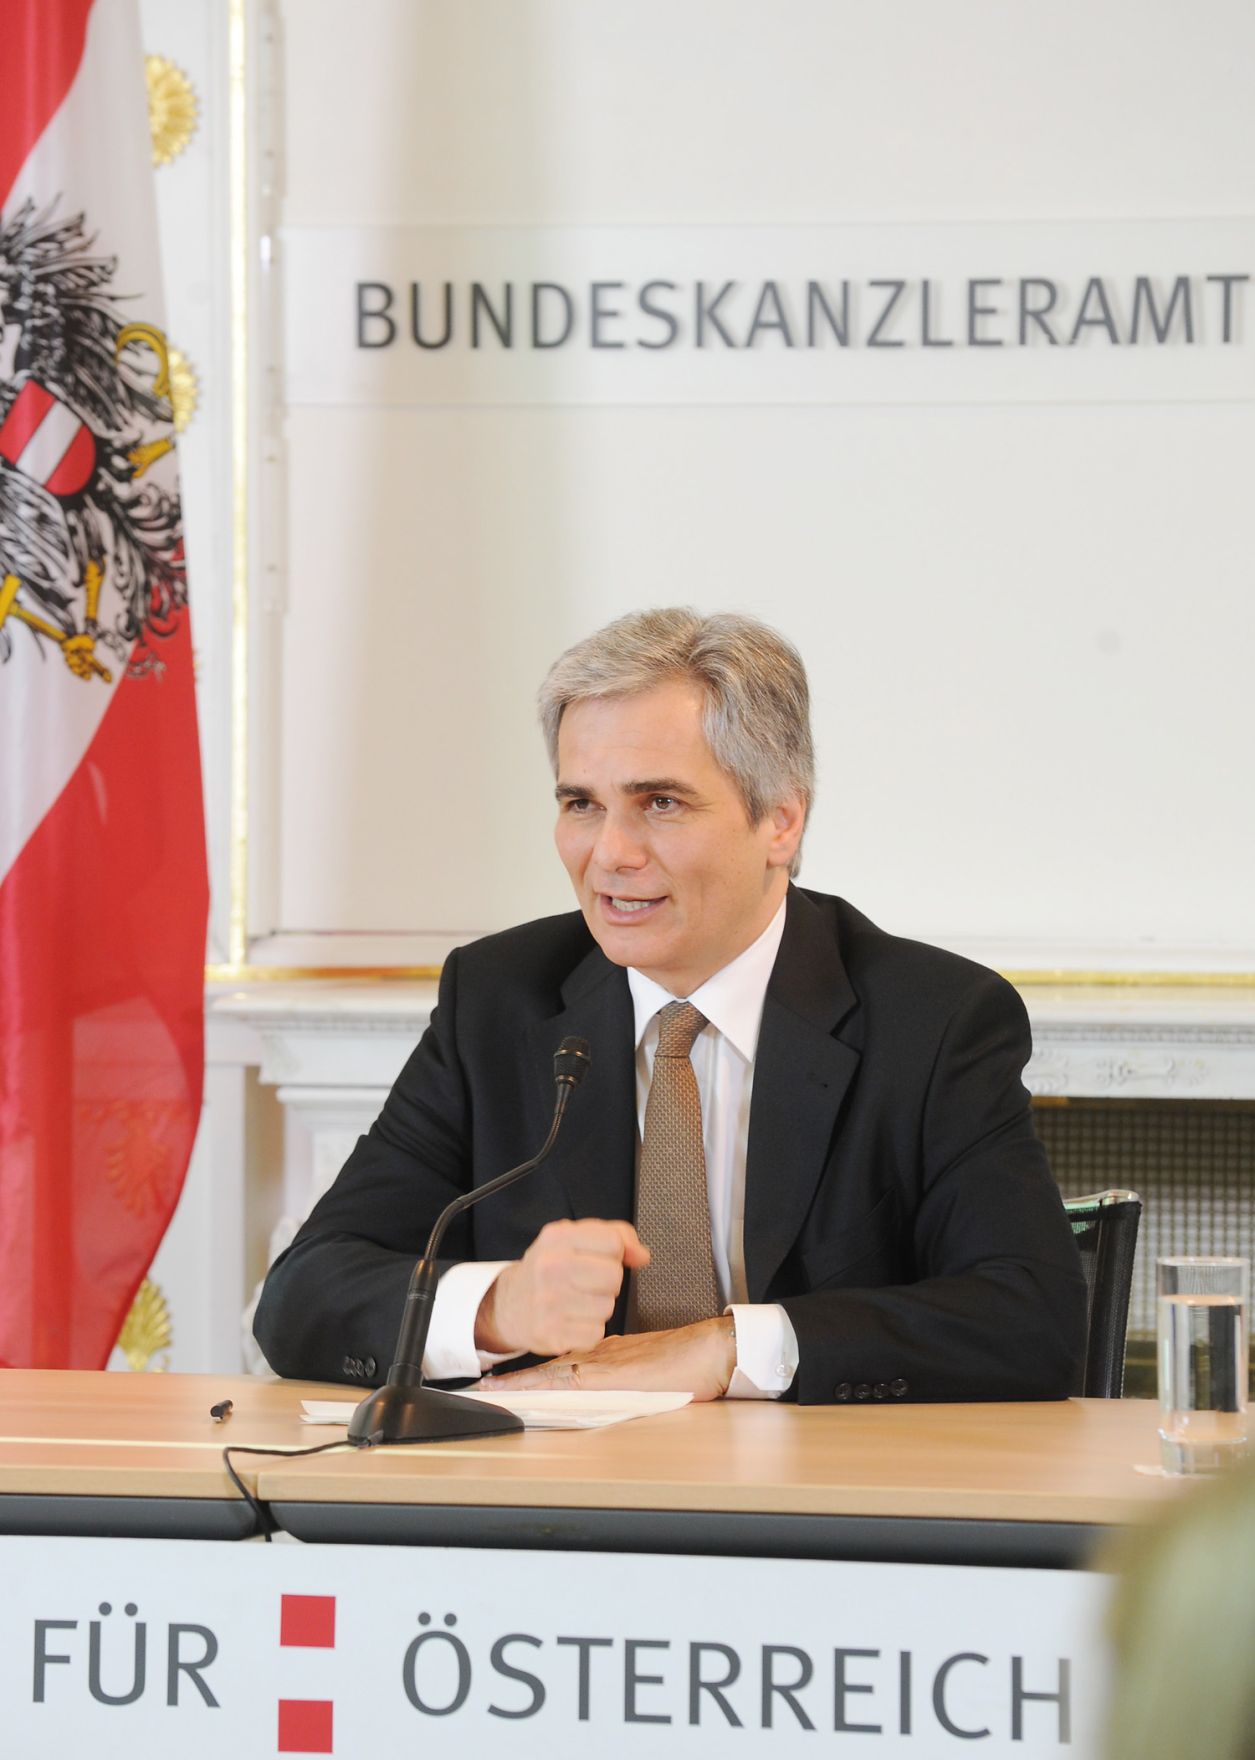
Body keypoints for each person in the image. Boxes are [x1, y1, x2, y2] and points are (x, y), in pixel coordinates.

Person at [253, 607, 1086, 1403]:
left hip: (821, 1510)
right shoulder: (500, 1000)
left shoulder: (932, 1019)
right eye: (581, 803)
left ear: (781, 822)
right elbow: (301, 1297)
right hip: (560, 1508)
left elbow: (1028, 1318)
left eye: (660, 803)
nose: (609, 854)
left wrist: (726, 1347)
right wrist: (498, 1305)